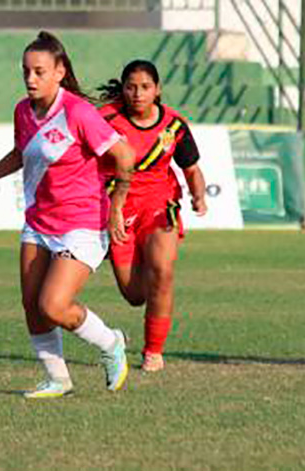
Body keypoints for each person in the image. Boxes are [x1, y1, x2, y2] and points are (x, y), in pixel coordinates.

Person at [0, 31, 136, 398]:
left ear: (59, 71)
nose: (31, 79)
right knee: (32, 305)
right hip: (38, 222)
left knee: (53, 304)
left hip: (82, 223)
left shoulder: (78, 112)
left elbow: (124, 156)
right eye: (26, 72)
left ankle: (111, 343)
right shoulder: (22, 110)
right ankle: (58, 379)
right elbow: (22, 153)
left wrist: (117, 206)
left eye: (39, 71)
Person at [97, 59, 208, 372]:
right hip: (118, 208)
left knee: (163, 271)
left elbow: (192, 169)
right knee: (134, 295)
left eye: (145, 87)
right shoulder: (104, 119)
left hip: (160, 203)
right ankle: (146, 270)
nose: (137, 93)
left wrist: (198, 194)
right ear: (122, 89)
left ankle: (153, 352)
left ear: (157, 90)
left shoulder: (174, 125)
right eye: (131, 87)